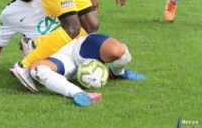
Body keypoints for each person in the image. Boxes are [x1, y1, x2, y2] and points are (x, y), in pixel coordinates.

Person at [12, 33, 146, 106]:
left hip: (80, 41)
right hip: (59, 56)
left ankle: (117, 73)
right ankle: (78, 93)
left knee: (120, 51)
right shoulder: (11, 11)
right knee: (37, 69)